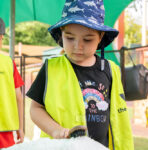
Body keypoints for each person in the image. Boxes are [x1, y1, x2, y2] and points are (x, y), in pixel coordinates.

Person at [27, 0, 134, 149]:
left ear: (100, 37)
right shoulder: (50, 69)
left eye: (87, 39)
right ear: (61, 34)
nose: (78, 46)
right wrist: (56, 131)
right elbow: (35, 109)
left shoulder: (111, 70)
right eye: (70, 38)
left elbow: (118, 115)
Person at [0, 18, 24, 148]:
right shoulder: (9, 63)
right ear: (1, 37)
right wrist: (20, 127)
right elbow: (19, 97)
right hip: (5, 130)